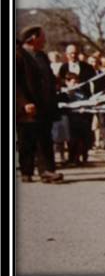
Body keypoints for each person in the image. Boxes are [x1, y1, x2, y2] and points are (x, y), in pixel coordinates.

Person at [18, 26, 64, 183]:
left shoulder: (42, 56)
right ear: (33, 38)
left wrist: (56, 82)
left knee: (45, 138)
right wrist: (24, 102)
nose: (45, 40)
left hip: (45, 106)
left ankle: (47, 171)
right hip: (27, 106)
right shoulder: (18, 55)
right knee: (27, 139)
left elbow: (47, 77)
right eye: (42, 37)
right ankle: (26, 170)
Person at [63, 72, 91, 165]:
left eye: (77, 82)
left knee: (82, 139)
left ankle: (80, 157)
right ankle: (72, 158)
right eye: (73, 82)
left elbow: (86, 102)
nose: (76, 84)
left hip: (81, 119)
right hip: (70, 119)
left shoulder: (81, 93)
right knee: (72, 140)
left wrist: (85, 108)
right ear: (67, 82)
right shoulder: (64, 93)